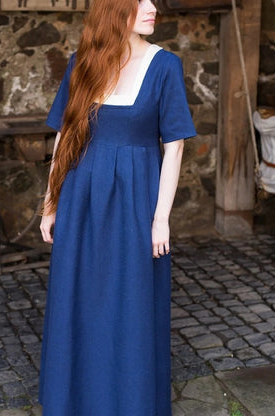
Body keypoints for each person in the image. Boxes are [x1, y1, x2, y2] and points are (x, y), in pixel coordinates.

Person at [38, 0, 196, 414]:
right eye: (140, 0)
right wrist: (51, 203)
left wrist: (160, 219)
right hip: (81, 200)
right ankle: (75, 404)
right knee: (79, 298)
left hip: (135, 204)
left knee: (132, 304)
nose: (153, 7)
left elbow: (175, 146)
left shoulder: (165, 66)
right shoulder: (82, 63)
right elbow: (64, 137)